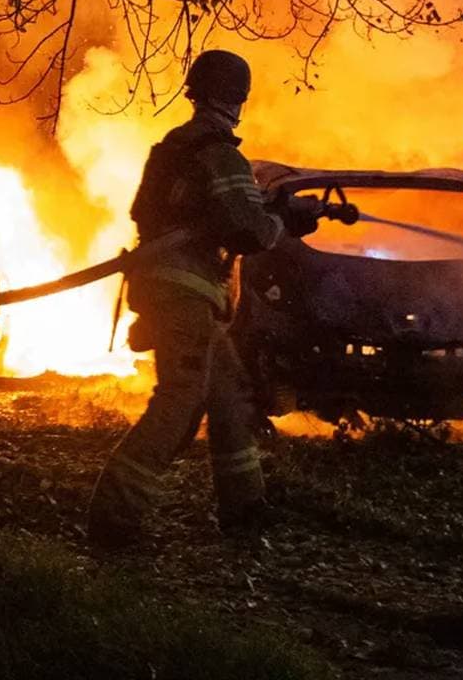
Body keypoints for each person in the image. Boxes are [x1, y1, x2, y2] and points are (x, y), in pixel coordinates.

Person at [86, 49, 330, 549]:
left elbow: (206, 208)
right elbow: (247, 229)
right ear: (240, 96)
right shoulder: (221, 152)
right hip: (186, 294)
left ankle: (245, 510)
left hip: (173, 292)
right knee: (180, 401)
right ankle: (114, 517)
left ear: (195, 90)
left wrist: (272, 206)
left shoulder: (174, 149)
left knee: (229, 397)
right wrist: (286, 222)